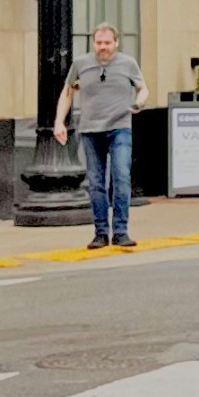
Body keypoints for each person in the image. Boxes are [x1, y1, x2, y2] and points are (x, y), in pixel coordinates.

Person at [52, 22, 147, 250]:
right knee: (96, 182)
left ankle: (121, 231)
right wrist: (59, 122)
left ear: (116, 43)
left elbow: (143, 88)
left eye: (107, 43)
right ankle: (101, 232)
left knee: (121, 176)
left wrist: (138, 103)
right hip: (90, 130)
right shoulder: (81, 64)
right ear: (93, 43)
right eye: (98, 43)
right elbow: (67, 94)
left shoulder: (128, 63)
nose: (102, 47)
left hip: (120, 127)